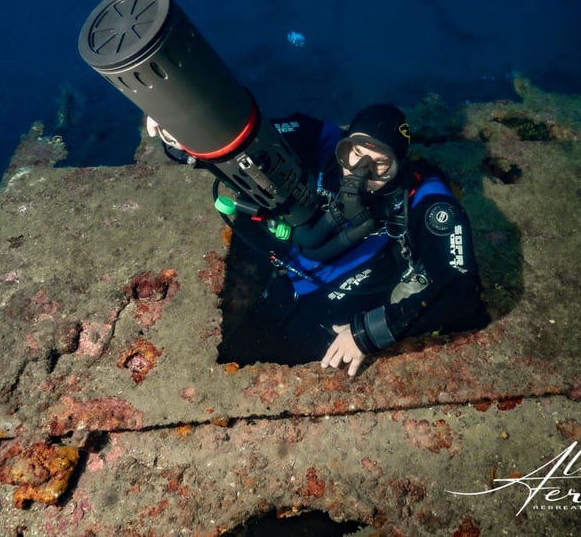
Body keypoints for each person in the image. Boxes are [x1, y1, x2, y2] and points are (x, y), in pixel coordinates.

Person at [153, 104, 490, 376]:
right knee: (243, 345)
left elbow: (461, 291)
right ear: (344, 143)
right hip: (291, 280)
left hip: (346, 312)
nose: (360, 171)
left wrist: (369, 332)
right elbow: (251, 141)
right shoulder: (323, 141)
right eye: (353, 153)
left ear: (398, 168)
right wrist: (185, 134)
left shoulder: (425, 200)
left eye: (380, 164)